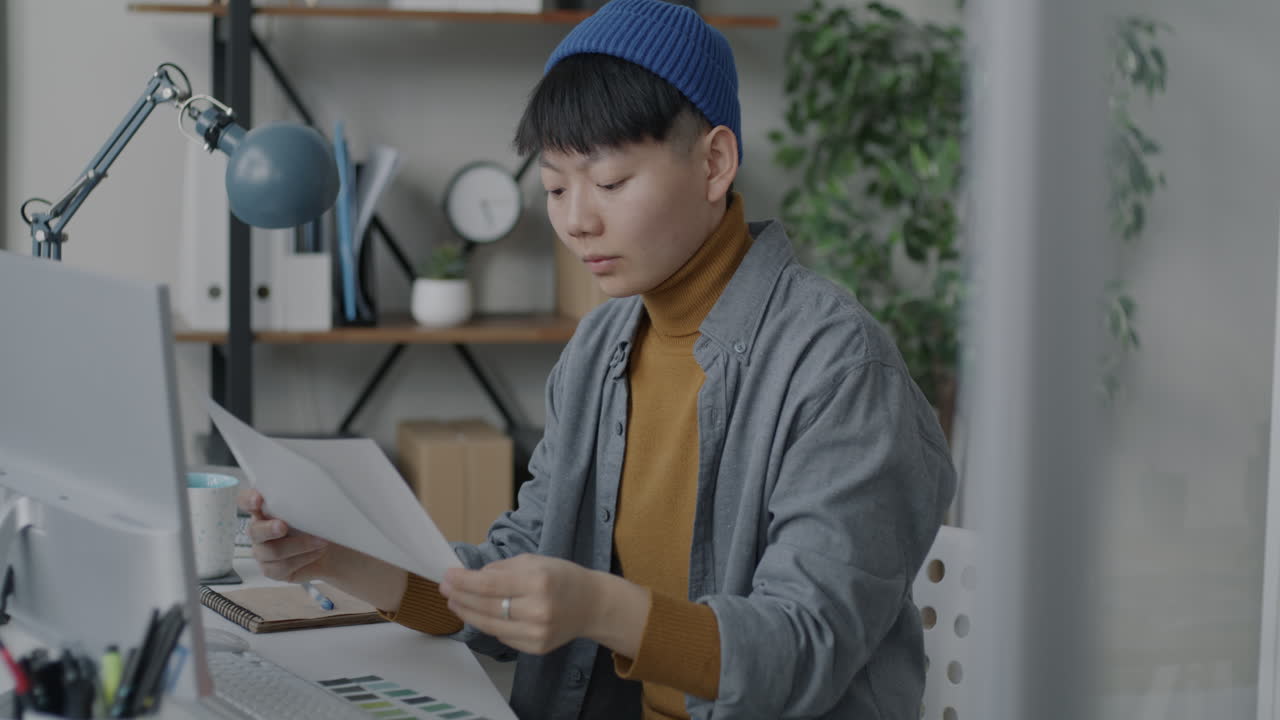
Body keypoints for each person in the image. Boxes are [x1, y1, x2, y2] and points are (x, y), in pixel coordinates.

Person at [239, 1, 957, 718]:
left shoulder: (839, 370)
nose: (577, 219)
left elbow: (804, 649)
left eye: (609, 182)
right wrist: (338, 556)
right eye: (555, 187)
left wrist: (602, 608)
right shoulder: (601, 346)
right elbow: (517, 573)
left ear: (715, 163)